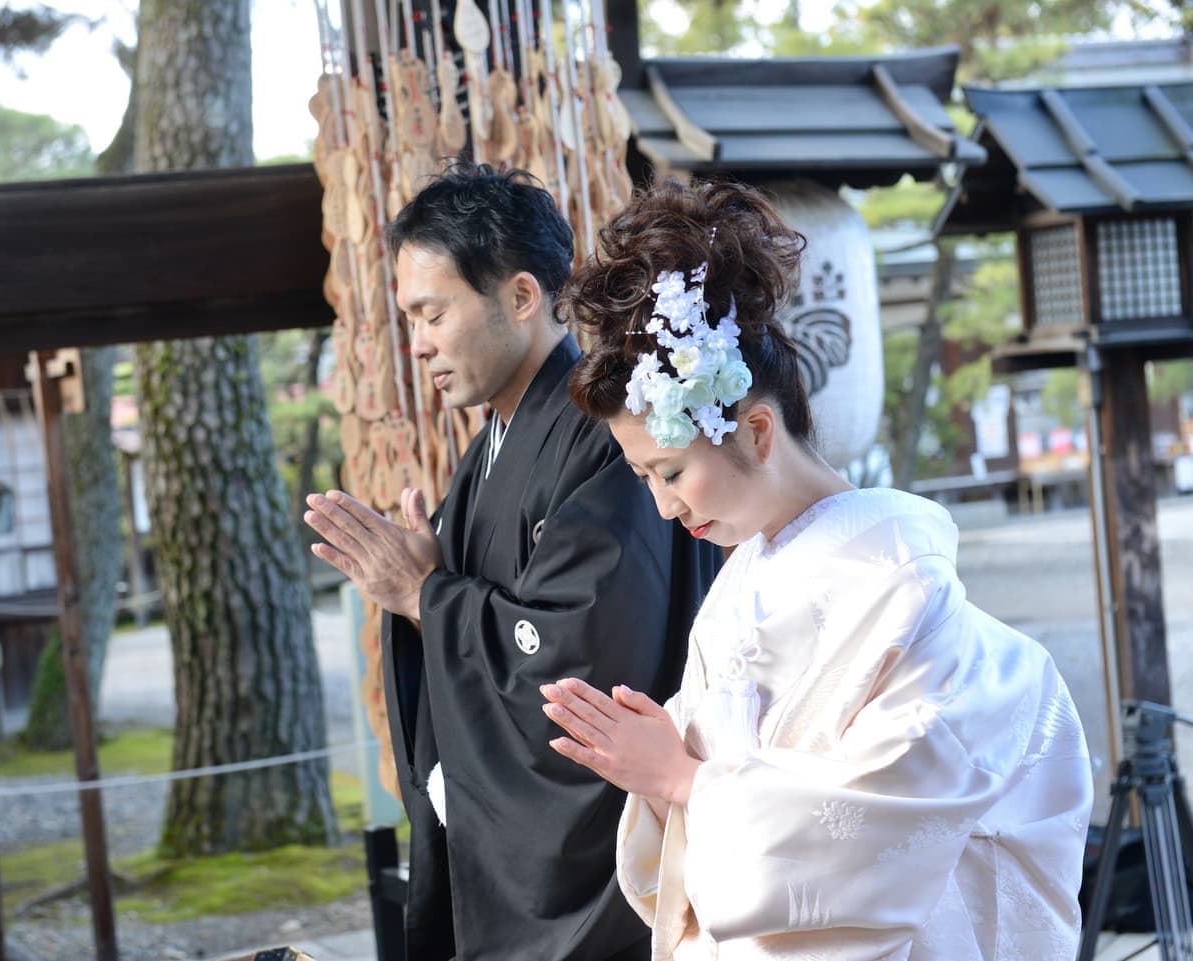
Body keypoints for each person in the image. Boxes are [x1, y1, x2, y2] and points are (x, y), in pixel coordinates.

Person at [541, 177, 1094, 961]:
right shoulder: (736, 591)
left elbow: (881, 828)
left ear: (759, 431)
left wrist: (686, 782)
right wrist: (662, 754)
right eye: (645, 481)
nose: (665, 508)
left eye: (670, 472)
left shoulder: (908, 592)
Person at [303, 163, 716, 961]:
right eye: (409, 319)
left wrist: (426, 594)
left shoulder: (604, 439)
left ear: (522, 298)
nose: (418, 343)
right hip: (512, 848)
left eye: (433, 313)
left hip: (592, 873)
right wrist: (430, 576)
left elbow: (583, 657)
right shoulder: (494, 441)